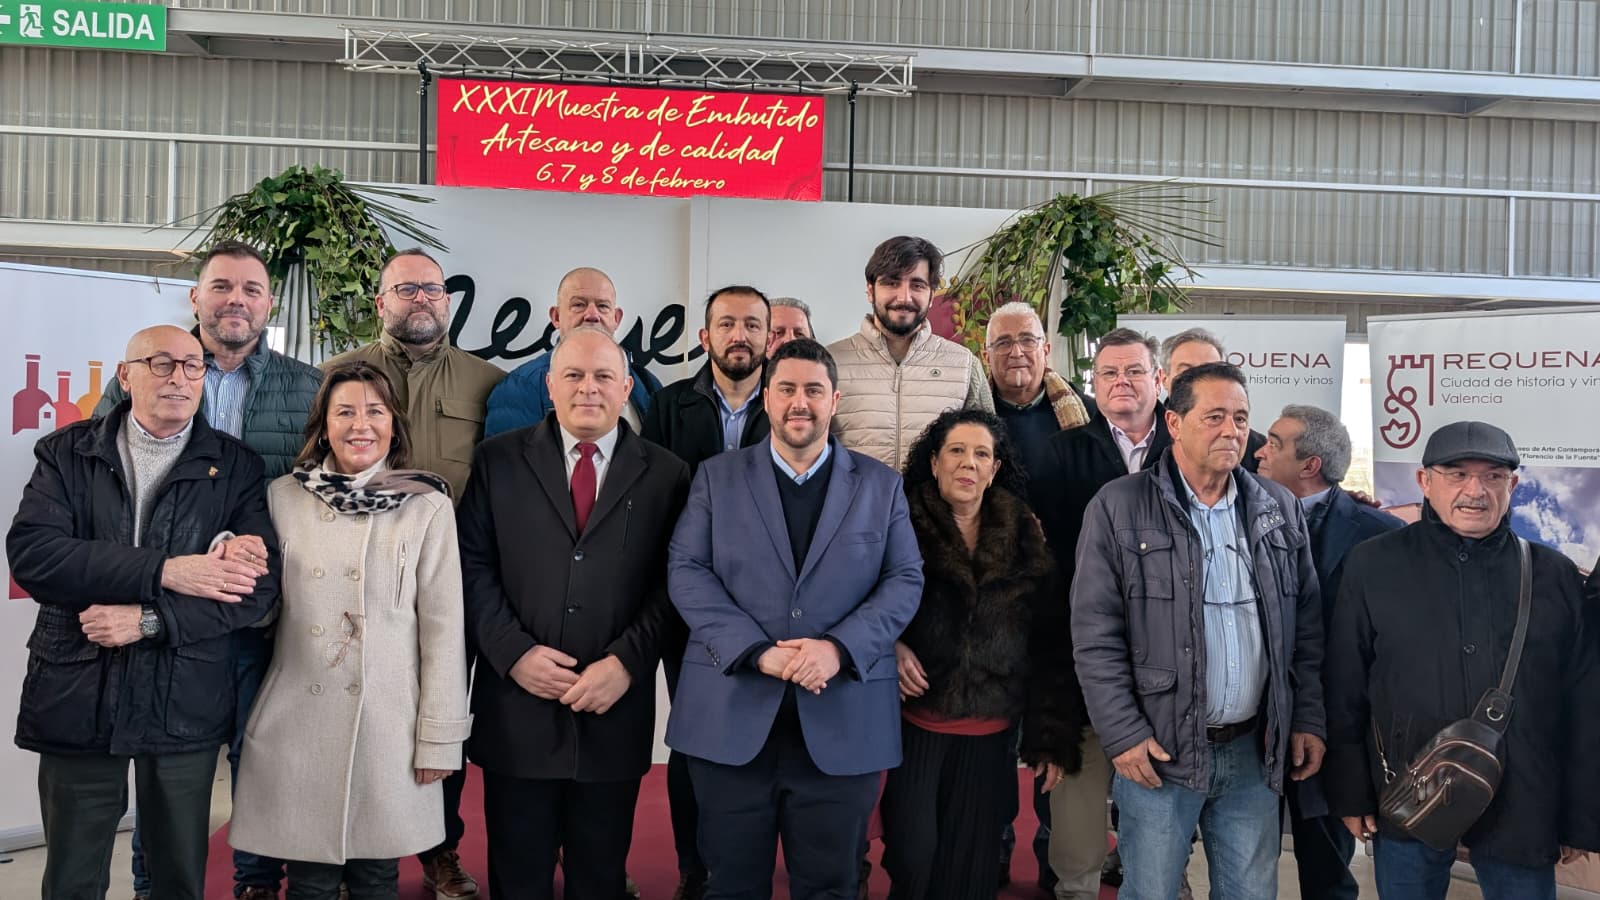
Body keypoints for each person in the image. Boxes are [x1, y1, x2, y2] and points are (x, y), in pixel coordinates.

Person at [9, 325, 279, 900]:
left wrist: (150, 620)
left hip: (183, 694)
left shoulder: (236, 467)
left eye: (192, 366)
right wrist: (168, 571)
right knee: (72, 875)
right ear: (125, 376)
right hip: (78, 686)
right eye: (161, 363)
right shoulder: (67, 452)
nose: (179, 378)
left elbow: (256, 590)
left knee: (177, 876)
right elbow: (35, 556)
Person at [96, 239, 322, 900]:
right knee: (166, 764)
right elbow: (102, 482)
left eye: (251, 289)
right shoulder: (142, 375)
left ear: (270, 304)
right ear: (195, 297)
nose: (236, 301)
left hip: (259, 614)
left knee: (261, 756)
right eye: (221, 286)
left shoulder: (307, 388)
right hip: (167, 607)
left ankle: (256, 881)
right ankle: (154, 887)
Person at [665, 338, 925, 899]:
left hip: (843, 720)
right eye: (785, 389)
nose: (799, 402)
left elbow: (905, 579)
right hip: (731, 720)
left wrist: (838, 648)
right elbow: (686, 571)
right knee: (730, 887)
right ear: (766, 398)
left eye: (813, 390)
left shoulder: (881, 485)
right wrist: (757, 651)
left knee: (831, 886)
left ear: (835, 400)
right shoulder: (716, 477)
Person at [1071, 362, 1326, 900]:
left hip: (1254, 751)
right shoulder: (1118, 506)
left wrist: (1306, 716)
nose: (1232, 430)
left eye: (1241, 418)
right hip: (1159, 754)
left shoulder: (1277, 508)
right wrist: (1122, 733)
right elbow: (1095, 635)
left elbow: (1305, 629)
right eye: (1215, 417)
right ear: (1174, 423)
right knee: (1151, 892)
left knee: (1250, 893)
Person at [457, 326, 690, 900]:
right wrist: (514, 654)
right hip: (518, 713)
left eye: (604, 376)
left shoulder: (667, 474)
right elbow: (470, 568)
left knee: (600, 878)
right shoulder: (497, 461)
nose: (589, 387)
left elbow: (675, 585)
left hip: (613, 711)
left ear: (627, 387)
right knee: (518, 879)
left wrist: (627, 663)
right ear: (550, 385)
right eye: (574, 375)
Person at [1324, 420, 1600, 900]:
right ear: (1425, 481)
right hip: (1408, 793)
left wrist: (1580, 817)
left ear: (1513, 485)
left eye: (1493, 476)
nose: (1475, 491)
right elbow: (1345, 684)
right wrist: (1351, 792)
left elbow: (1583, 703)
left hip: (1525, 803)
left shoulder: (1553, 575)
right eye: (1456, 474)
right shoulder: (1372, 564)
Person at [228, 361, 470, 899]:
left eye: (375, 411)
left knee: (377, 874)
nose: (361, 425)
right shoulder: (284, 496)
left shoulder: (427, 504)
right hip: (300, 715)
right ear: (324, 427)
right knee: (309, 877)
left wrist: (439, 738)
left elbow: (444, 630)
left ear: (394, 425)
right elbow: (263, 601)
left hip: (390, 719)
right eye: (345, 412)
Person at [322, 247, 504, 899]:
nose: (421, 298)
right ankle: (352, 856)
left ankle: (439, 849)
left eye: (432, 288)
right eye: (406, 289)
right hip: (360, 583)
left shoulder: (488, 382)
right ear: (381, 302)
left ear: (447, 301)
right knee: (360, 717)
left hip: (452, 585)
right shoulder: (339, 376)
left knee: (442, 717)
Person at [879, 409, 1085, 900]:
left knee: (971, 868)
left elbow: (1050, 639)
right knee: (912, 855)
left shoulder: (1024, 533)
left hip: (992, 730)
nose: (967, 463)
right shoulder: (895, 521)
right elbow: (859, 598)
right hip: (914, 723)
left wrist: (1050, 735)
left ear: (995, 469)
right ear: (934, 462)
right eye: (956, 450)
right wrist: (889, 646)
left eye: (980, 454)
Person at [641, 285, 773, 900]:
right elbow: (652, 504)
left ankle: (748, 864)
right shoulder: (669, 406)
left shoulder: (790, 402)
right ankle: (695, 868)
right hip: (688, 602)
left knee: (762, 735)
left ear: (769, 337)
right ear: (705, 337)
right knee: (694, 736)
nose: (738, 335)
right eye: (726, 323)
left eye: (751, 324)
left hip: (771, 605)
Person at [1028, 327, 1169, 900]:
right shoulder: (1063, 452)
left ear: (1159, 379)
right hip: (1086, 650)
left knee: (1161, 802)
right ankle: (1076, 887)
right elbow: (1048, 562)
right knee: (1079, 801)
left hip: (1171, 658)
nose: (1121, 382)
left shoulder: (1187, 446)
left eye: (1134, 371)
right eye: (1108, 373)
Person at [1253, 404, 1402, 900]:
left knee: (1327, 871)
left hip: (1333, 731)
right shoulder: (1233, 513)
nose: (1259, 451)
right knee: (1244, 864)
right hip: (1250, 725)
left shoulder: (1380, 535)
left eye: (1274, 443)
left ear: (1310, 465)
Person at [977, 301, 1093, 889]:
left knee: (1057, 728)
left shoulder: (1085, 418)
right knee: (994, 734)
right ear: (986, 354)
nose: (1016, 351)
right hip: (992, 603)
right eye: (1003, 342)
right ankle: (994, 841)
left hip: (1066, 600)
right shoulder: (970, 418)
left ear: (1047, 349)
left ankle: (1055, 847)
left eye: (1027, 339)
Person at [829, 236, 994, 469]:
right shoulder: (830, 362)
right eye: (891, 283)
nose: (904, 297)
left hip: (935, 496)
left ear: (931, 294)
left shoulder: (964, 365)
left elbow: (988, 451)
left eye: (917, 285)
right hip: (855, 495)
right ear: (870, 290)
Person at [484, 267, 662, 438]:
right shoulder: (522, 387)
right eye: (578, 305)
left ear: (616, 318)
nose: (592, 315)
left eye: (602, 306)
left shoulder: (647, 383)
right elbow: (509, 456)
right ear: (556, 317)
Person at [1159, 328, 1265, 471]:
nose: (1200, 382)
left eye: (1210, 371)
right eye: (1186, 372)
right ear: (1164, 379)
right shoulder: (1143, 437)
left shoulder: (1255, 448)